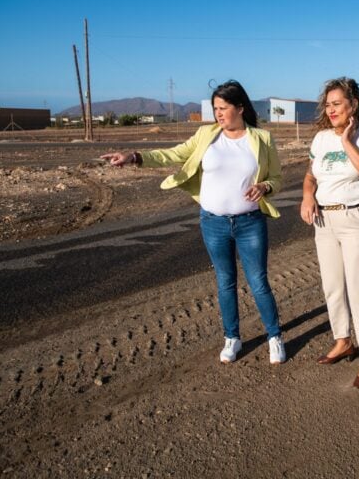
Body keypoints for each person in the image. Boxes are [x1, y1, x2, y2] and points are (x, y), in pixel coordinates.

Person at [101, 80, 286, 365]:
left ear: (240, 108)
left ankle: (274, 336)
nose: (218, 114)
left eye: (223, 108)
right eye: (215, 109)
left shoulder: (262, 138)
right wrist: (134, 157)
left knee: (258, 282)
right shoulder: (206, 135)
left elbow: (276, 178)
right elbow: (172, 154)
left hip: (250, 222)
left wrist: (265, 187)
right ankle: (232, 338)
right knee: (225, 282)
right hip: (213, 223)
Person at [300, 77, 359, 388]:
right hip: (325, 221)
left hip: (357, 219)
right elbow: (311, 176)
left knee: (358, 290)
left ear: (354, 105)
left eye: (338, 103)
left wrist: (348, 142)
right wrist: (308, 195)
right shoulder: (321, 139)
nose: (331, 109)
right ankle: (342, 340)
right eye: (328, 104)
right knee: (333, 287)